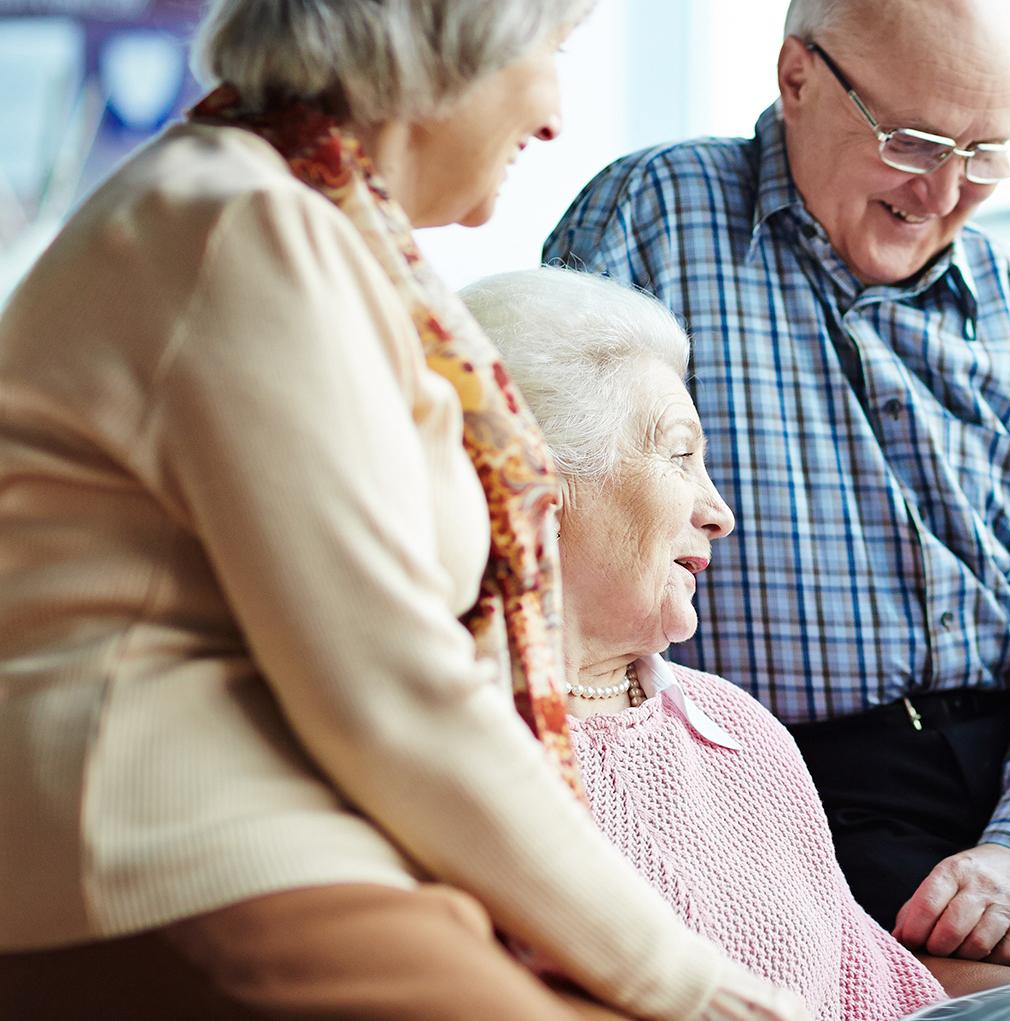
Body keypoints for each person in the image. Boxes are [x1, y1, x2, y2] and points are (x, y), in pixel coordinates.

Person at [0, 3, 802, 1018]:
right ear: (442, 47)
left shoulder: (312, 236)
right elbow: (388, 687)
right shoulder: (239, 221)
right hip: (163, 850)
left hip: (272, 846)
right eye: (552, 54)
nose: (556, 114)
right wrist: (687, 979)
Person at [543, 0, 1010, 971]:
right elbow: (558, 532)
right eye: (917, 141)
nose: (944, 192)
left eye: (985, 154)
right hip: (776, 779)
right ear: (797, 79)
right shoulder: (656, 216)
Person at [463, 266, 1010, 1013]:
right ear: (537, 476)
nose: (720, 511)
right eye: (678, 453)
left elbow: (877, 992)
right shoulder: (447, 740)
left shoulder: (736, 729)